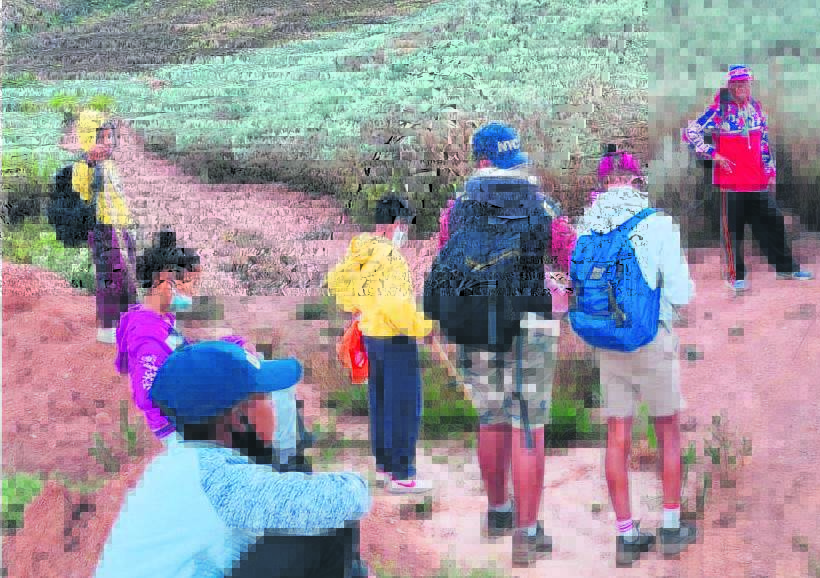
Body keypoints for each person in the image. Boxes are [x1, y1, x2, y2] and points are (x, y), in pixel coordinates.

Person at [95, 341, 372, 578]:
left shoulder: (177, 464)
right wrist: (355, 482)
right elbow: (345, 499)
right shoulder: (218, 478)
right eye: (264, 397)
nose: (273, 407)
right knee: (330, 527)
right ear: (239, 418)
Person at [425, 121, 566, 566]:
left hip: (476, 322)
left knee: (491, 419)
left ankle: (498, 512)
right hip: (530, 325)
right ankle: (527, 534)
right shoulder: (540, 204)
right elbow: (569, 252)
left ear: (479, 162)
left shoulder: (456, 208)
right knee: (528, 427)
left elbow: (446, 256)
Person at [574, 150, 700, 566]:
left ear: (603, 182)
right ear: (636, 179)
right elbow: (680, 292)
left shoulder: (587, 225)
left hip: (608, 342)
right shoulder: (657, 223)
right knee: (668, 432)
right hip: (650, 337)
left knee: (617, 436)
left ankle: (626, 535)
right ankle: (670, 527)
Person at [116, 230, 307, 471]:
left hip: (190, 416)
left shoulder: (157, 320)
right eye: (191, 283)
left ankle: (281, 457)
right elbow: (149, 394)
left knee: (263, 375)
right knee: (272, 390)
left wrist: (229, 345)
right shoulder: (147, 337)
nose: (193, 292)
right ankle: (283, 463)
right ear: (166, 280)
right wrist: (205, 402)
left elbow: (180, 355)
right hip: (182, 427)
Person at [325, 193, 435, 494]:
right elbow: (395, 305)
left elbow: (337, 280)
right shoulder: (391, 258)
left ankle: (385, 467)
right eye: (405, 226)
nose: (405, 233)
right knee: (404, 405)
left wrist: (357, 306)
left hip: (371, 335)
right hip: (395, 338)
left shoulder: (362, 250)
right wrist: (423, 327)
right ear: (395, 224)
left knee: (382, 401)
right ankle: (402, 474)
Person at [681, 64, 814, 292]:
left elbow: (764, 143)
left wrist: (770, 172)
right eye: (737, 83)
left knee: (774, 224)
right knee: (733, 232)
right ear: (730, 85)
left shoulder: (756, 109)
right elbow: (689, 132)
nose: (742, 86)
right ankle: (736, 276)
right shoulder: (719, 111)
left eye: (745, 82)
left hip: (757, 182)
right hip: (731, 184)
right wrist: (713, 153)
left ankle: (786, 268)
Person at [74, 113, 140, 343]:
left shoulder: (110, 164)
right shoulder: (84, 166)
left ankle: (130, 321)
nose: (108, 142)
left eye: (110, 137)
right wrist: (89, 163)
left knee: (128, 274)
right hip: (103, 228)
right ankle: (108, 325)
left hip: (121, 226)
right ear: (89, 139)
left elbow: (119, 197)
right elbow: (82, 193)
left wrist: (129, 224)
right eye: (101, 138)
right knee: (110, 277)